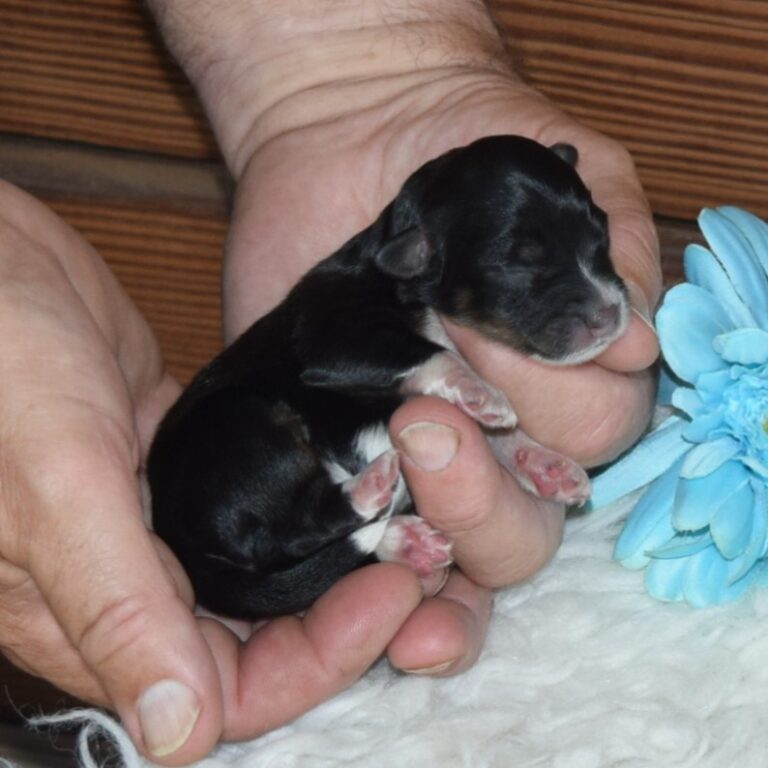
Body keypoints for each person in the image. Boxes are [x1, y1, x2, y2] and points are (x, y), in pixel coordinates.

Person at [0, 1, 661, 764]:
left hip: (312, 486)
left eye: (593, 248)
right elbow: (339, 368)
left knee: (442, 456)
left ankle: (364, 530)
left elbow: (403, 427)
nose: (604, 306)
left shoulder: (422, 292)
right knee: (357, 443)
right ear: (416, 258)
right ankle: (350, 523)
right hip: (222, 477)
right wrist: (442, 376)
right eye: (529, 265)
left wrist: (514, 448)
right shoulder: (350, 305)